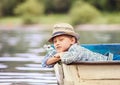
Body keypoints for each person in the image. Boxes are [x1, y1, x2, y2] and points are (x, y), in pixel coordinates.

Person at [42, 23, 113, 68]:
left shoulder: (76, 48)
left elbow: (69, 59)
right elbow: (45, 63)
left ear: (72, 41)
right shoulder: (61, 51)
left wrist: (60, 55)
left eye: (61, 40)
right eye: (55, 41)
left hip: (111, 61)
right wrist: (58, 55)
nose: (57, 43)